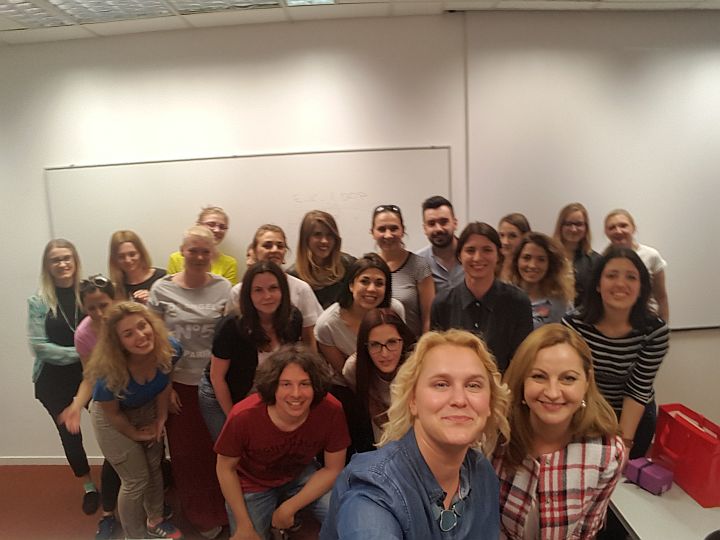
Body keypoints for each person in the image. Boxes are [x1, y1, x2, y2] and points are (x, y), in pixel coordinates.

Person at [320, 329, 511, 540]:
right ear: (413, 401)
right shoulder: (375, 489)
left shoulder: (482, 474)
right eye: (441, 384)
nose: (459, 399)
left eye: (473, 385)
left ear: (489, 403)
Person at [494, 324, 625, 539]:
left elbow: (585, 533)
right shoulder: (495, 437)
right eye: (539, 376)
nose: (553, 392)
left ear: (587, 382)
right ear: (522, 380)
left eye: (568, 378)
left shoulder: (608, 452)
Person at [215, 345, 350, 540]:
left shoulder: (331, 409)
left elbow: (333, 468)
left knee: (345, 515)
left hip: (300, 473)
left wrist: (289, 507)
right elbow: (225, 468)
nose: (296, 394)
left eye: (305, 384)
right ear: (273, 386)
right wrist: (244, 525)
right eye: (286, 384)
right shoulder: (243, 416)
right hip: (252, 482)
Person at [150, 225, 232, 539]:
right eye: (192, 250)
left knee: (219, 450)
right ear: (182, 252)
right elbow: (154, 344)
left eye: (204, 251)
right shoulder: (161, 290)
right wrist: (166, 386)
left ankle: (226, 507)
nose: (198, 256)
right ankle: (199, 513)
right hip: (178, 386)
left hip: (216, 384)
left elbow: (233, 338)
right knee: (186, 455)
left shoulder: (225, 288)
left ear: (213, 254)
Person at [86, 302, 183, 540]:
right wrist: (135, 434)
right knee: (136, 479)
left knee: (154, 466)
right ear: (118, 342)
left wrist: (161, 418)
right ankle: (134, 536)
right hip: (112, 418)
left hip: (146, 407)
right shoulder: (109, 373)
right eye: (128, 334)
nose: (140, 336)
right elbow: (112, 414)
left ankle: (155, 522)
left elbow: (164, 383)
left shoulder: (170, 348)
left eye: (142, 326)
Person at [562, 247, 669, 460]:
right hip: (583, 413)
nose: (621, 284)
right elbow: (571, 381)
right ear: (598, 285)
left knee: (623, 474)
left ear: (641, 288)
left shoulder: (655, 331)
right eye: (611, 276)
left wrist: (624, 443)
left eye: (631, 277)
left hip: (632, 419)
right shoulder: (573, 325)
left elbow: (638, 388)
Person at [27, 239, 100, 515]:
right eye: (55, 259)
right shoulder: (38, 301)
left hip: (90, 375)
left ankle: (121, 475)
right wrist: (81, 352)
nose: (62, 264)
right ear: (47, 265)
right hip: (52, 380)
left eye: (67, 258)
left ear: (75, 260)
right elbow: (39, 347)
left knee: (110, 425)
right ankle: (89, 487)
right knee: (70, 435)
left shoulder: (89, 293)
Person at [199, 261, 303, 441]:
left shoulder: (292, 319)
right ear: (248, 294)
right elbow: (217, 377)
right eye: (258, 290)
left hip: (263, 392)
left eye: (273, 288)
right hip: (222, 392)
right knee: (234, 446)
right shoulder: (231, 326)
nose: (267, 296)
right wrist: (234, 417)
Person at [58, 275, 122, 539]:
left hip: (140, 396)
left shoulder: (128, 319)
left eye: (103, 305)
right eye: (91, 308)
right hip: (108, 399)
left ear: (114, 301)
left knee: (148, 458)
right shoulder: (84, 334)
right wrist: (76, 404)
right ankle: (108, 515)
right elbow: (90, 375)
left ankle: (154, 511)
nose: (98, 313)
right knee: (114, 458)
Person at [431, 222, 533, 373]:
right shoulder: (442, 303)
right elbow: (437, 358)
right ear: (459, 255)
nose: (478, 257)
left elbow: (522, 361)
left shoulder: (518, 302)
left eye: (487, 250)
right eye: (470, 250)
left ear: (498, 255)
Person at [231, 224, 323, 351]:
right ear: (255, 251)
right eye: (267, 245)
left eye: (280, 246)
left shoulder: (301, 289)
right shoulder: (238, 291)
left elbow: (309, 337)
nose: (274, 250)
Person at [342, 308, 416, 444]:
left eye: (392, 342)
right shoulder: (354, 368)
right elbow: (377, 416)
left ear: (403, 341)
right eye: (375, 345)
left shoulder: (417, 363)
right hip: (384, 435)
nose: (384, 354)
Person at [372, 204, 434, 336]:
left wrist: (424, 346)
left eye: (394, 228)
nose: (388, 235)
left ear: (403, 230)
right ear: (372, 232)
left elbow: (428, 317)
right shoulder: (367, 267)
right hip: (377, 344)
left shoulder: (419, 265)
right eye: (381, 229)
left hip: (412, 345)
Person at [604, 209, 669, 322]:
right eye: (612, 227)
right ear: (606, 232)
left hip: (647, 321)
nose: (618, 231)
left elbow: (661, 297)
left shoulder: (651, 256)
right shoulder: (602, 259)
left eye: (623, 226)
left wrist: (665, 325)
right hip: (614, 322)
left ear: (633, 228)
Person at [287, 210, 357, 309]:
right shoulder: (293, 276)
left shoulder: (349, 265)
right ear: (306, 239)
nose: (324, 241)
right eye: (317, 234)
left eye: (329, 235)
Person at [510, 232, 574, 329]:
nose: (533, 265)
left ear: (550, 264)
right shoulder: (504, 297)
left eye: (541, 259)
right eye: (526, 258)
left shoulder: (560, 303)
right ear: (517, 261)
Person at [167, 206, 238, 285]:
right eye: (211, 224)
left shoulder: (229, 263)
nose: (217, 230)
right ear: (198, 225)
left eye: (222, 227)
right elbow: (171, 288)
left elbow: (227, 291)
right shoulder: (175, 258)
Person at [553, 202, 601, 305]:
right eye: (568, 224)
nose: (573, 229)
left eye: (579, 224)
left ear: (586, 227)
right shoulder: (548, 256)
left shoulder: (596, 260)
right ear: (560, 226)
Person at [415, 195, 464, 294]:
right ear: (425, 228)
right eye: (431, 223)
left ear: (455, 223)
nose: (438, 229)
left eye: (444, 222)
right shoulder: (418, 262)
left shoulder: (472, 255)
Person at [108, 230, 166, 304]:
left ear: (141, 254)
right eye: (121, 257)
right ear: (114, 259)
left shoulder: (162, 277)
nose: (128, 260)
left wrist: (153, 299)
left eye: (132, 254)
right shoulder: (114, 289)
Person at [498, 213, 531, 282]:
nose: (505, 242)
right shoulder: (493, 264)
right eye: (502, 235)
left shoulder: (529, 268)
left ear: (524, 237)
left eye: (512, 236)